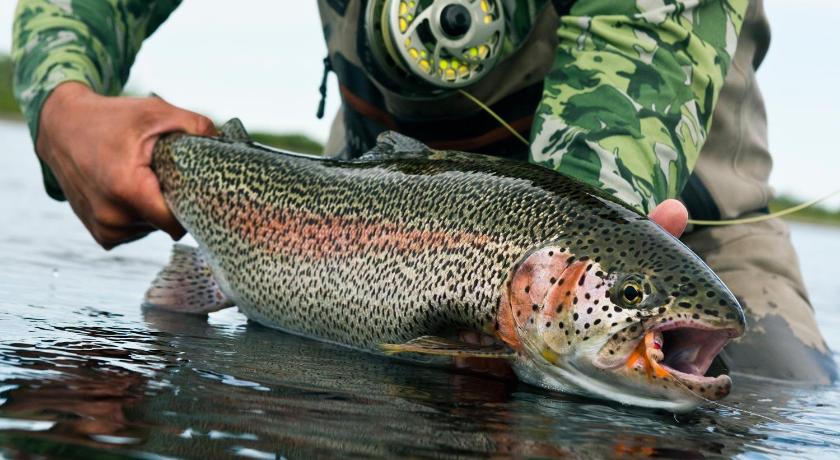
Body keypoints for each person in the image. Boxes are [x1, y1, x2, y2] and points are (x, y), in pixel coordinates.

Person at [11, 0, 836, 382]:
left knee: (756, 409)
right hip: (350, 209)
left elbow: (578, 215)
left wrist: (576, 294)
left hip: (671, 229)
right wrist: (61, 105)